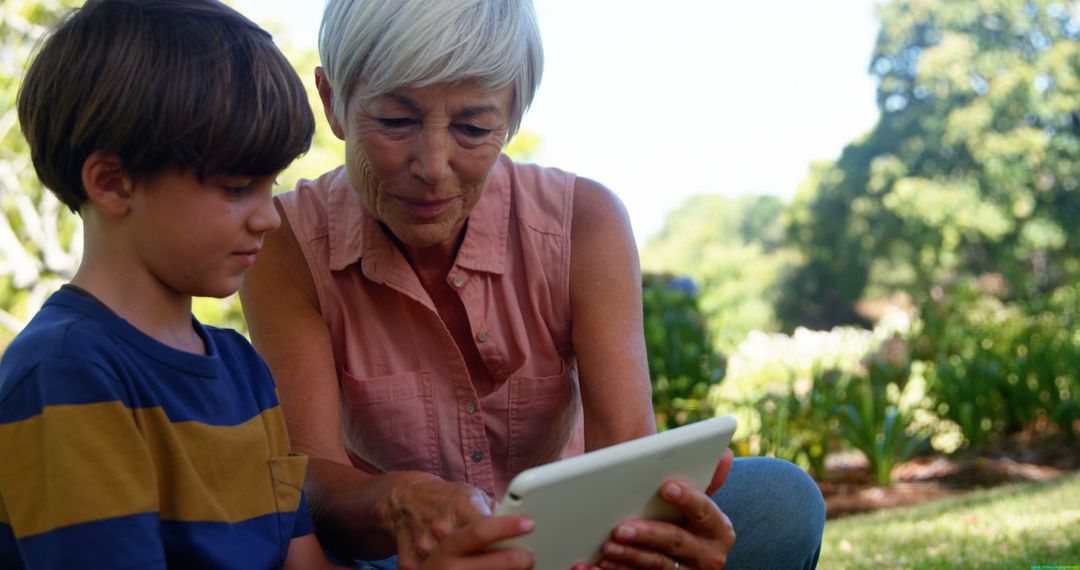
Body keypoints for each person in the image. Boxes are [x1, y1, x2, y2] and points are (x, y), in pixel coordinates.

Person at [240, 0, 826, 568]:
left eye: (473, 127)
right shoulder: (285, 241)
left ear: (514, 115)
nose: (432, 165)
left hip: (570, 546)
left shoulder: (584, 222)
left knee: (779, 501)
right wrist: (396, 501)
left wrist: (645, 539)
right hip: (403, 557)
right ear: (333, 102)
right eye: (396, 121)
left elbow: (626, 449)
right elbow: (308, 481)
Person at [0, 1, 536, 569]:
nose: (270, 218)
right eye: (236, 188)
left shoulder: (239, 366)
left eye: (270, 185)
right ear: (112, 183)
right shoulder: (67, 374)